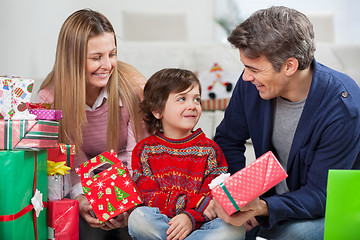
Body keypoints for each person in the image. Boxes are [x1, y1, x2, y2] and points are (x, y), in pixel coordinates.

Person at [213, 6, 360, 240]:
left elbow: (322, 194)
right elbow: (228, 139)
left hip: (331, 207)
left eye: (253, 68)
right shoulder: (252, 83)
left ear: (289, 66)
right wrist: (241, 198)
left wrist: (262, 208)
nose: (246, 77)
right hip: (270, 204)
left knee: (293, 235)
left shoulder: (342, 106)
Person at [37, 9, 147, 240]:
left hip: (130, 179)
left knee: (134, 227)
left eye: (112, 54)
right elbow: (69, 159)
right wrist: (83, 198)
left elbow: (138, 153)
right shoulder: (49, 101)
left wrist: (122, 198)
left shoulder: (133, 88)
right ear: (72, 59)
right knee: (87, 230)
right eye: (96, 58)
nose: (107, 65)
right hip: (83, 184)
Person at [127, 68, 246, 240]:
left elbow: (213, 201)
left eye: (196, 99)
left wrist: (190, 218)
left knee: (234, 229)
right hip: (164, 224)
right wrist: (192, 203)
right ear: (157, 111)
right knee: (138, 218)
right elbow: (147, 197)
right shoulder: (144, 150)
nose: (192, 105)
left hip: (201, 225)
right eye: (182, 99)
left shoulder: (210, 150)